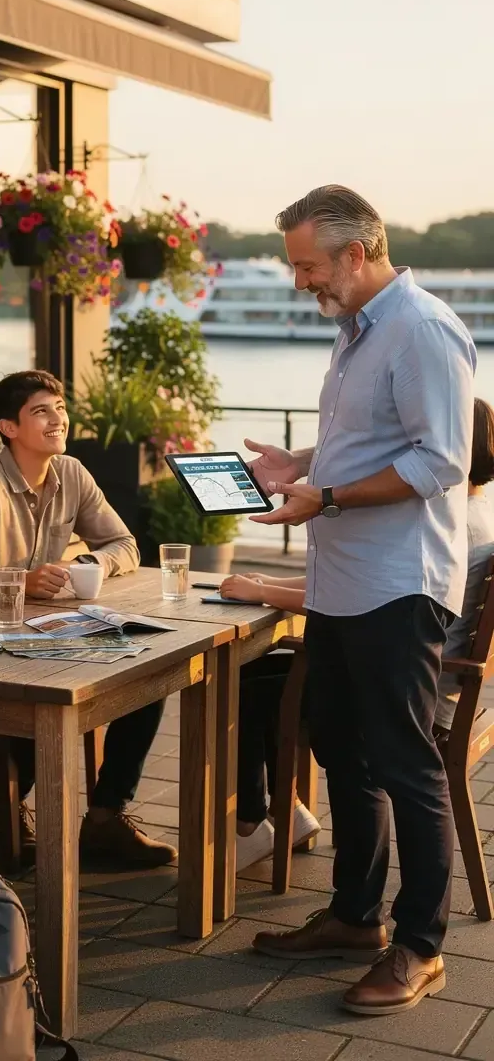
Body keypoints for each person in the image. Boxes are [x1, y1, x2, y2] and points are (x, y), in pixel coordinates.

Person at [242, 185, 475, 1014]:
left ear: (357, 252)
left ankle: (420, 946)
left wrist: (329, 499)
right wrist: (301, 463)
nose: (302, 281)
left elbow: (438, 462)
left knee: (408, 766)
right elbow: (371, 436)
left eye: (308, 265)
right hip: (344, 585)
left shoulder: (421, 329)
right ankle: (354, 915)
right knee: (341, 745)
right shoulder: (358, 330)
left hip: (396, 585)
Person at [0, 369, 175, 868]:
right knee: (41, 696)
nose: (59, 420)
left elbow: (124, 545)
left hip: (51, 629)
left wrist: (87, 565)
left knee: (147, 669)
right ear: (8, 427)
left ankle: (104, 818)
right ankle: (11, 819)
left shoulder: (71, 472)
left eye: (60, 409)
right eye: (42, 412)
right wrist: (19, 580)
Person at [218, 574, 318, 869]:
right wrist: (272, 583)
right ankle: (287, 808)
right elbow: (330, 572)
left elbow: (335, 599)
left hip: (352, 684)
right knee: (246, 671)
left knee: (237, 692)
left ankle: (249, 823)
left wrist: (263, 591)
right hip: (349, 664)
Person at [434, 397, 494, 738]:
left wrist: (265, 592)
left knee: (253, 689)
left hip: (428, 702)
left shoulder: (453, 528)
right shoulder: (479, 515)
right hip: (449, 696)